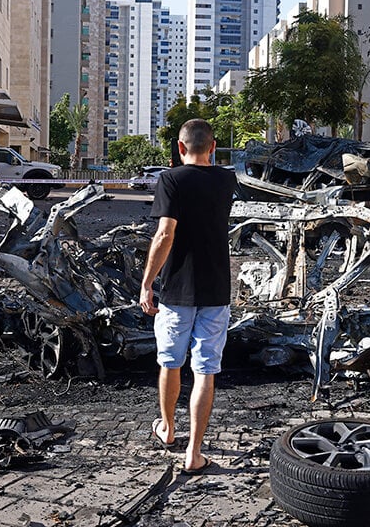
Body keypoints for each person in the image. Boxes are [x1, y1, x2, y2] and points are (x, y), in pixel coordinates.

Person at [139, 119, 237, 474]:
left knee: (170, 362)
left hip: (177, 290)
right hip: (216, 288)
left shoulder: (170, 179)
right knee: (206, 370)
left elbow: (165, 234)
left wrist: (147, 282)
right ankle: (194, 453)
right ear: (213, 147)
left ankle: (167, 429)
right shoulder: (228, 180)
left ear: (180, 148)